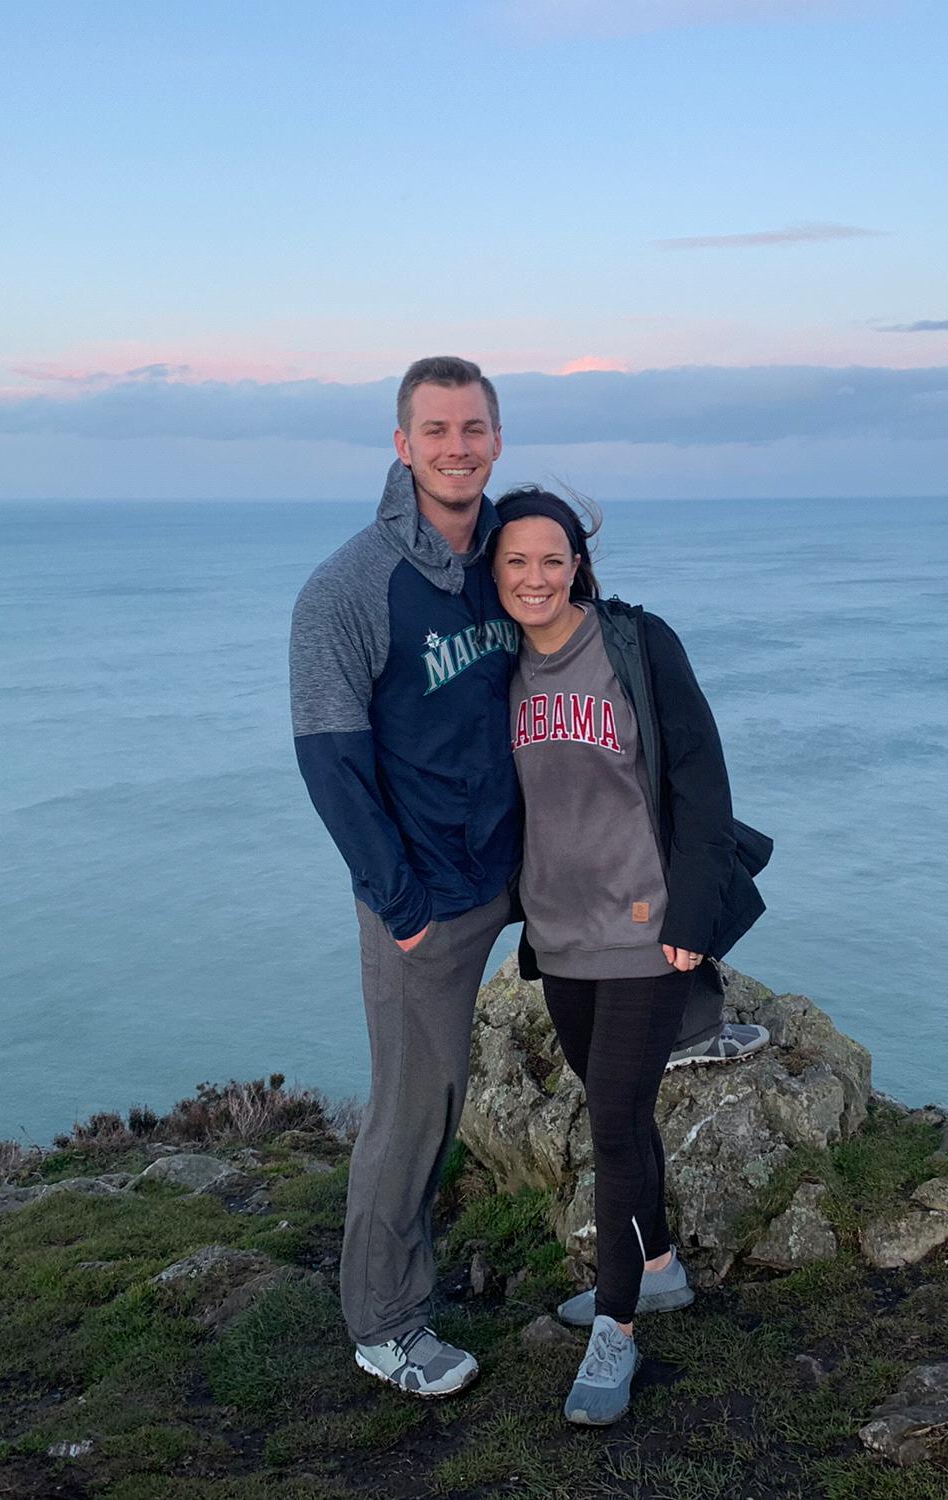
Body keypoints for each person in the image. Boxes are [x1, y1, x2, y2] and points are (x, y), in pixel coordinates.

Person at [491, 485, 769, 1426]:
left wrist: (692, 913)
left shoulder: (637, 646)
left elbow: (702, 776)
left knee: (611, 1124)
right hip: (558, 933)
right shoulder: (497, 668)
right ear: (495, 572)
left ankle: (616, 1329)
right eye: (516, 560)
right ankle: (657, 1268)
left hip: (648, 931)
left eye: (552, 559)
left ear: (579, 564)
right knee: (622, 1114)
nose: (535, 577)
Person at [289, 356, 521, 1398]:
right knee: (416, 1109)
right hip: (425, 897)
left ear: (497, 440)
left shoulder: (510, 558)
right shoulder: (348, 588)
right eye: (435, 430)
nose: (455, 448)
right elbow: (330, 765)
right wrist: (402, 905)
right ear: (401, 445)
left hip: (519, 860)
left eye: (472, 429)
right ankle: (384, 1321)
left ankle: (695, 1022)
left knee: (632, 952)